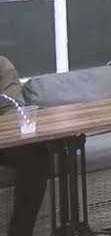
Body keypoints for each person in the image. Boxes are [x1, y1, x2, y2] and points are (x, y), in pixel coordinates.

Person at [0, 56, 50, 236]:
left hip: (3, 139)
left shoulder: (2, 65)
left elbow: (13, 111)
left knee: (35, 152)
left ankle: (20, 232)